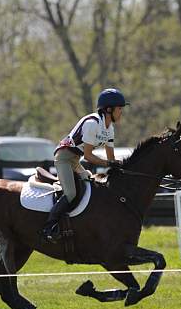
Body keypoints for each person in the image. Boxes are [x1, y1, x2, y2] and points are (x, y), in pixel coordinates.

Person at [41, 88, 129, 242]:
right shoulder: (92, 124)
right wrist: (109, 163)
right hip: (64, 158)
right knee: (71, 194)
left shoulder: (110, 129)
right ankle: (49, 228)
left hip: (75, 159)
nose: (121, 112)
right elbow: (88, 156)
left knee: (91, 184)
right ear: (109, 109)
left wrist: (119, 166)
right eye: (120, 108)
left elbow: (111, 159)